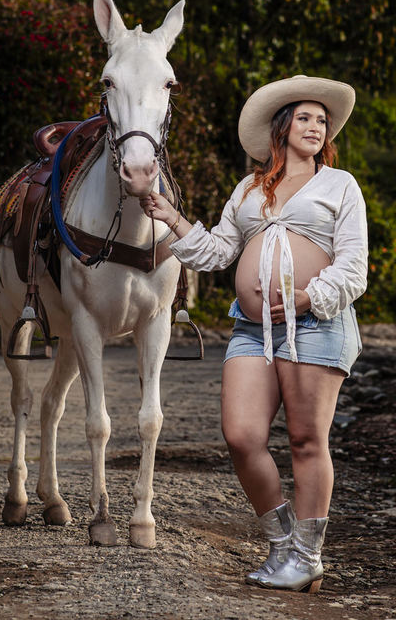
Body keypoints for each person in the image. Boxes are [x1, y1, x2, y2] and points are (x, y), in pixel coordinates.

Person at [140, 75, 367, 593]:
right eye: (304, 117)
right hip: (251, 329)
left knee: (308, 441)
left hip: (317, 322)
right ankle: (284, 542)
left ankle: (308, 555)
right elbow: (221, 250)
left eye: (322, 120)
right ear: (282, 127)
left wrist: (309, 296)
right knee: (242, 436)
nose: (315, 126)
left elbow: (355, 266)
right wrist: (171, 217)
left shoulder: (340, 185)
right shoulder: (249, 187)